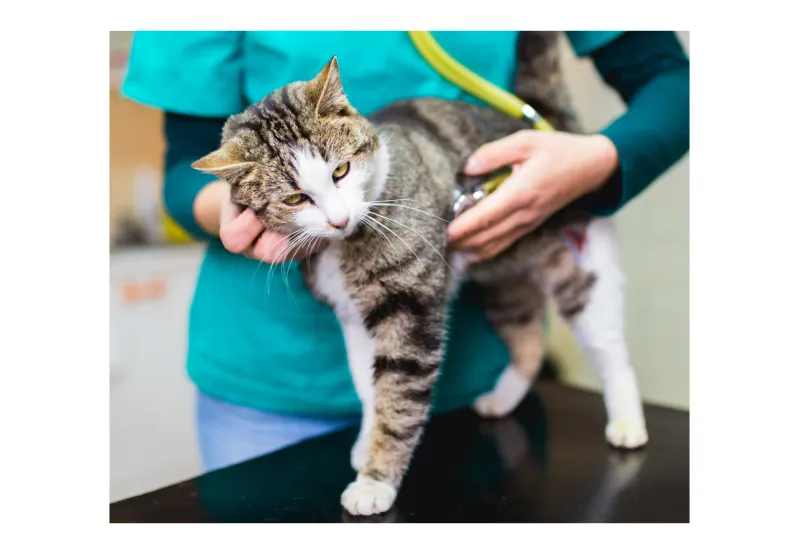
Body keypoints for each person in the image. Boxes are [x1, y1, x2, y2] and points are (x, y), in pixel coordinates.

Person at [122, 31, 689, 473]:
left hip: (474, 375)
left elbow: (674, 82)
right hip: (267, 386)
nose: (340, 216)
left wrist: (600, 161)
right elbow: (185, 165)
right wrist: (238, 208)